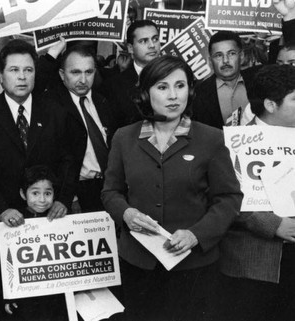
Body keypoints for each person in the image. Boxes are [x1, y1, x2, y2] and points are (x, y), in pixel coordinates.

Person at [101, 55, 243, 321]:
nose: (173, 95)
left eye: (180, 86)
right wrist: (127, 214)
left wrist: (196, 235)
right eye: (162, 87)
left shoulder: (210, 138)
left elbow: (229, 198)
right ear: (145, 93)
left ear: (190, 90)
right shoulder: (124, 137)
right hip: (139, 263)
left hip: (194, 266)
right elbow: (111, 192)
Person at [0, 39, 76, 320]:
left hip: (46, 226)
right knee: (2, 304)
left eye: (28, 70)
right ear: (0, 75)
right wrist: (0, 208)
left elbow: (69, 160)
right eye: (14, 70)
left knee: (45, 305)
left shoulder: (56, 111)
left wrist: (62, 198)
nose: (22, 77)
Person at [218, 64, 295, 321]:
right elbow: (227, 199)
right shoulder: (233, 142)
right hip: (250, 263)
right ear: (271, 105)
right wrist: (272, 224)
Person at [44, 45, 116, 213]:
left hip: (109, 188)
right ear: (62, 75)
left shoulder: (104, 102)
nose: (83, 80)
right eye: (75, 72)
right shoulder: (52, 107)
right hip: (74, 192)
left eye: (89, 72)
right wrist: (68, 197)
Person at [3, 165, 68, 321]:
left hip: (55, 295)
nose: (42, 200)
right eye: (35, 193)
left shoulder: (59, 219)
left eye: (47, 193)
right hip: (26, 297)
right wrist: (8, 296)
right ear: (23, 194)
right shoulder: (13, 222)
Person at [100, 20, 161, 127]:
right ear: (130, 48)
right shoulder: (113, 86)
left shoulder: (173, 78)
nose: (152, 45)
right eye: (143, 41)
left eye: (155, 39)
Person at [192, 31, 258, 128]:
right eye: (218, 55)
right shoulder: (199, 93)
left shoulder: (259, 81)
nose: (225, 60)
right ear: (210, 61)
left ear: (242, 56)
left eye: (231, 53)